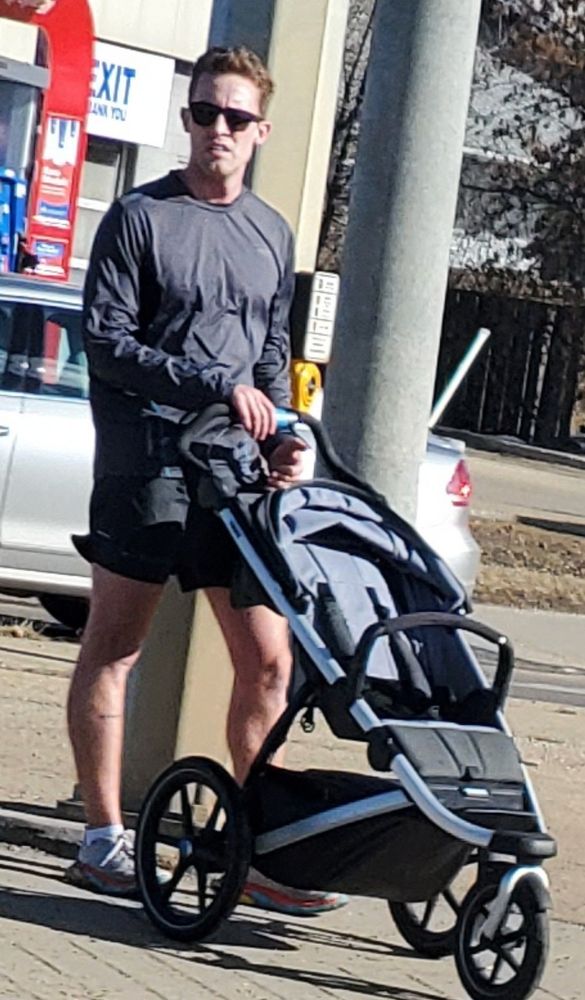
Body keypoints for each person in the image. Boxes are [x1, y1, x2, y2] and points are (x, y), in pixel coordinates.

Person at [65, 45, 348, 917]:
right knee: (116, 647)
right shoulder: (139, 218)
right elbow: (106, 344)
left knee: (268, 661)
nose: (215, 129)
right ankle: (101, 838)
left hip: (234, 477)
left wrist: (282, 437)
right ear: (187, 119)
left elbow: (268, 357)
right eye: (202, 113)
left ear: (260, 131)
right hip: (148, 465)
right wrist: (210, 388)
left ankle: (255, 850)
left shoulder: (269, 232)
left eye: (233, 117)